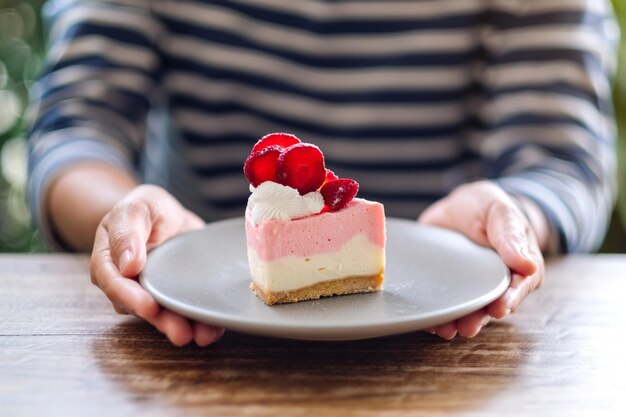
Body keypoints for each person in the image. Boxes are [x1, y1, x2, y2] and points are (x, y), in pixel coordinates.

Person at [28, 0, 618, 346]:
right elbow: (78, 124)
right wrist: (127, 215)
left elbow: (560, 157)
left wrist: (514, 218)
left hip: (446, 326)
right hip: (198, 317)